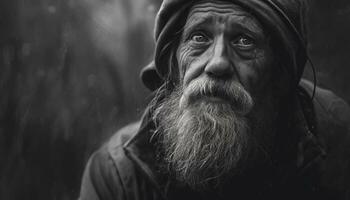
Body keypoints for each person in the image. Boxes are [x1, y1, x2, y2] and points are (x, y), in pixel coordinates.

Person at [79, 0, 350, 199]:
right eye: (199, 37)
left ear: (279, 73)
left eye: (244, 41)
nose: (217, 63)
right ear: (174, 65)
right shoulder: (118, 175)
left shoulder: (339, 141)